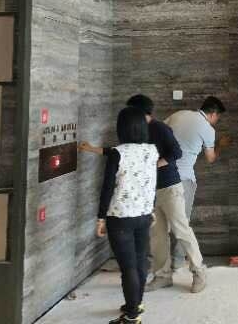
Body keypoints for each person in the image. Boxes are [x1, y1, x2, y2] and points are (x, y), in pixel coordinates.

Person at [81, 94, 207, 294]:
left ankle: (199, 271)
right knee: (157, 236)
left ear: (139, 111)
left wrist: (152, 165)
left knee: (181, 230)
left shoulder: (160, 128)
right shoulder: (137, 130)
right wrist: (93, 149)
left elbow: (176, 152)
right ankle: (162, 276)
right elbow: (122, 152)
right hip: (149, 191)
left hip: (170, 187)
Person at [96, 106, 158, 324]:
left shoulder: (118, 152)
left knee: (128, 267)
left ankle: (132, 316)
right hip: (143, 214)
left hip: (120, 217)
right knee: (140, 261)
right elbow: (151, 181)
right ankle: (136, 303)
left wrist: (101, 218)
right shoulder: (152, 150)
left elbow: (107, 188)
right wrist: (151, 208)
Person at [163, 96, 229, 271]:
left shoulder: (178, 114)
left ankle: (162, 263)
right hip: (183, 178)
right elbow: (210, 158)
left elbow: (159, 132)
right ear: (213, 114)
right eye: (218, 117)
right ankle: (177, 262)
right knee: (182, 223)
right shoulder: (208, 130)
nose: (216, 121)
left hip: (161, 174)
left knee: (161, 222)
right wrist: (221, 145)